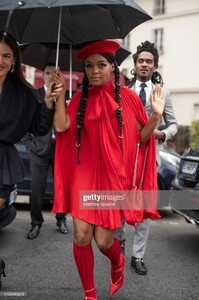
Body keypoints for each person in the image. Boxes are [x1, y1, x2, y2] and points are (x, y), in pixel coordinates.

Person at [51, 40, 165, 300]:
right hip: (84, 172)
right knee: (81, 235)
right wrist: (59, 97)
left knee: (103, 241)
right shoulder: (79, 98)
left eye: (101, 65)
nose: (94, 71)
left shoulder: (128, 97)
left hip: (110, 178)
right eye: (89, 66)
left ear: (113, 67)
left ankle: (117, 263)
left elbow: (141, 139)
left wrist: (155, 116)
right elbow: (60, 127)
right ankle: (89, 294)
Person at [0, 31, 63, 289]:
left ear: (15, 60)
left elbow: (38, 129)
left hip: (1, 162)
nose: (1, 60)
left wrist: (48, 103)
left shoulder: (24, 93)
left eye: (6, 55)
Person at [115, 40, 178, 275]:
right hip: (125, 157)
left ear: (154, 66)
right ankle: (119, 245)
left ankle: (137, 256)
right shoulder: (122, 91)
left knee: (145, 208)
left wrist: (161, 133)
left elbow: (174, 125)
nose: (144, 64)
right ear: (134, 64)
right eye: (140, 60)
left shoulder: (164, 92)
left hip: (150, 157)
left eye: (148, 61)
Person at [23, 63, 68, 240]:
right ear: (43, 75)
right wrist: (30, 145)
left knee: (61, 187)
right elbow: (26, 123)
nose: (51, 76)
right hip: (39, 150)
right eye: (48, 73)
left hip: (61, 150)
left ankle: (61, 219)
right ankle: (35, 223)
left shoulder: (65, 96)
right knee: (37, 189)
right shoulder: (35, 95)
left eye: (55, 73)